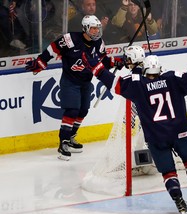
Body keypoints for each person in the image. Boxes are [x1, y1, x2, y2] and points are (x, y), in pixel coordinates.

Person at [82, 43, 187, 214]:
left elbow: (113, 82)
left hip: (156, 137)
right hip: (179, 132)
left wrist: (97, 68)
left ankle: (179, 202)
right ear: (160, 68)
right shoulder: (173, 78)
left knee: (168, 172)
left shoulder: (137, 85)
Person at [25, 15, 123, 161]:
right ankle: (63, 142)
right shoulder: (70, 39)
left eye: (98, 28)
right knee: (72, 110)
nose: (97, 31)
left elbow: (103, 61)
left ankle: (71, 137)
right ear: (85, 28)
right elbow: (52, 49)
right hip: (70, 81)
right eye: (94, 28)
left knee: (83, 110)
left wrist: (117, 62)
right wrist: (40, 62)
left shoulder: (99, 43)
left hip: (86, 82)